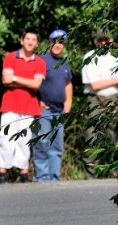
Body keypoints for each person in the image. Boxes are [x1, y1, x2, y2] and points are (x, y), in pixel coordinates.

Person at [0, 30, 46, 183]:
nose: (30, 42)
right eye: (27, 39)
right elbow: (5, 80)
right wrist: (27, 82)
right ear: (21, 40)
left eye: (33, 39)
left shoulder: (40, 62)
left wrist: (16, 78)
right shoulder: (11, 57)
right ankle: (2, 172)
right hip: (10, 104)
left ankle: (23, 172)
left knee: (25, 140)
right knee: (5, 138)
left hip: (30, 106)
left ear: (37, 43)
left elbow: (36, 84)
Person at [33, 29, 72, 181]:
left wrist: (68, 104)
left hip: (59, 112)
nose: (58, 45)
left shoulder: (64, 63)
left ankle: (54, 179)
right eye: (56, 41)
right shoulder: (41, 59)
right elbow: (33, 82)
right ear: (50, 42)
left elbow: (68, 84)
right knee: (42, 143)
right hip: (44, 111)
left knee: (57, 147)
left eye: (61, 42)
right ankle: (42, 178)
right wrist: (37, 100)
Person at [81, 30, 118, 173]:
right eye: (100, 40)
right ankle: (91, 174)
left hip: (114, 99)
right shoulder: (89, 57)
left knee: (113, 135)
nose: (104, 42)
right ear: (96, 42)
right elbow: (94, 85)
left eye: (106, 39)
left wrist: (108, 82)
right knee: (92, 136)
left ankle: (113, 172)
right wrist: (114, 80)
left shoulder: (116, 58)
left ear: (111, 40)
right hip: (94, 99)